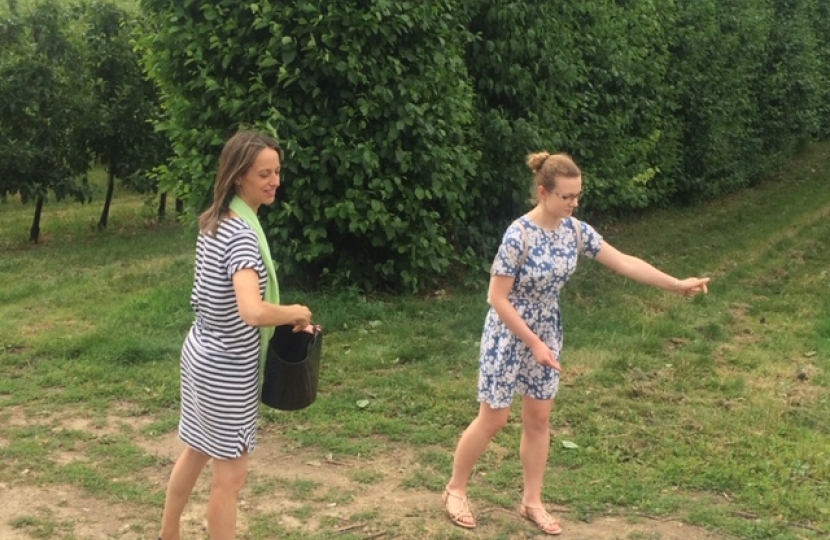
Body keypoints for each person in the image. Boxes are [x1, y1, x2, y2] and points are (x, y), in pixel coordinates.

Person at [442, 152, 710, 535]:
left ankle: (531, 501)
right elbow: (497, 298)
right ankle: (455, 489)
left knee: (539, 419)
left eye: (577, 195)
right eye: (566, 196)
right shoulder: (519, 234)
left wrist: (676, 283)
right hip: (509, 331)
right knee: (495, 418)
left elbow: (625, 262)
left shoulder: (575, 231)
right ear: (543, 192)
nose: (574, 203)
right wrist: (533, 342)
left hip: (547, 330)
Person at [157, 130, 314, 540]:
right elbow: (251, 310)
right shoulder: (243, 235)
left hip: (201, 353)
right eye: (264, 173)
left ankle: (168, 534)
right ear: (238, 176)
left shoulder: (216, 222)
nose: (274, 180)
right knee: (230, 478)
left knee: (196, 451)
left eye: (277, 171)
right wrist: (293, 312)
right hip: (226, 369)